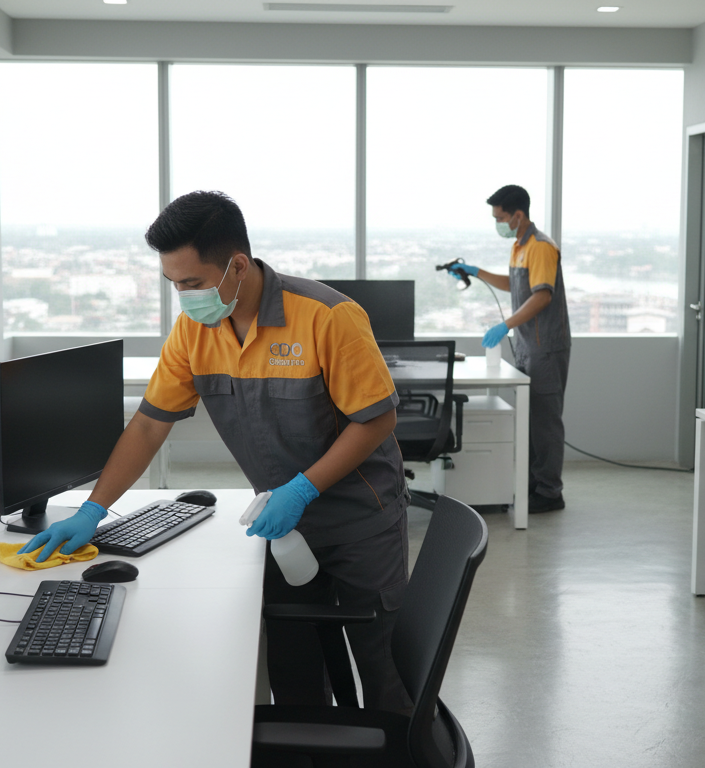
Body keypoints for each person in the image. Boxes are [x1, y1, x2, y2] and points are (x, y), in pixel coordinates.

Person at [20, 191, 414, 713]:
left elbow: (377, 418)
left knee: (383, 669)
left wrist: (303, 487)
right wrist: (94, 510)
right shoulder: (193, 331)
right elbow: (147, 426)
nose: (184, 297)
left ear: (237, 266)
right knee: (293, 668)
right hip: (283, 528)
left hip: (361, 521)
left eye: (192, 283)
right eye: (173, 285)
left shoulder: (326, 316)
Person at [445, 184, 572, 513]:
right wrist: (476, 272)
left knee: (545, 422)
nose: (498, 223)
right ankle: (530, 484)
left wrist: (506, 325)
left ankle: (550, 492)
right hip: (528, 345)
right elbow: (513, 284)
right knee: (532, 421)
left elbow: (542, 295)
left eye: (500, 217)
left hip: (545, 347)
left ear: (518, 215)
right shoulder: (519, 246)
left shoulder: (541, 247)